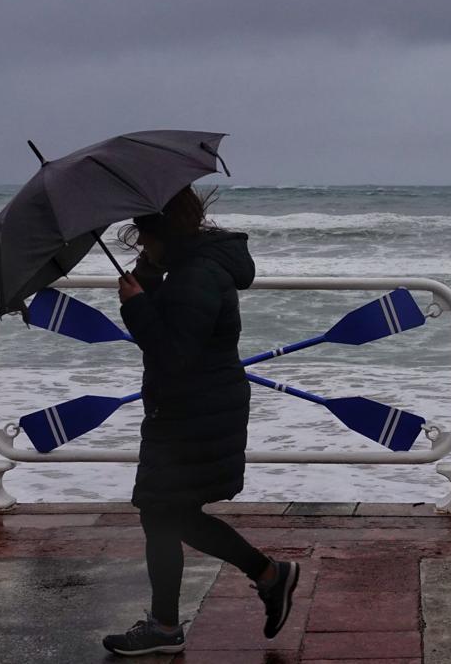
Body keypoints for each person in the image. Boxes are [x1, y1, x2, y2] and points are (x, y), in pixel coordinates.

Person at [101, 186, 299, 657]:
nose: (143, 248)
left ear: (165, 233)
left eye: (147, 240)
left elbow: (175, 355)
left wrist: (136, 307)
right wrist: (149, 280)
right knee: (166, 512)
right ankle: (264, 579)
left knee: (163, 510)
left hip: (193, 412)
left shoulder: (196, 276)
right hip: (194, 408)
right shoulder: (192, 269)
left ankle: (177, 620)